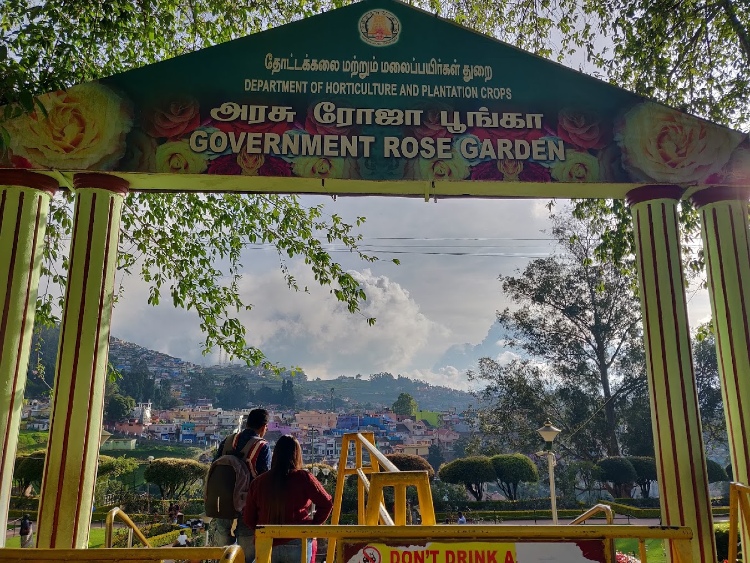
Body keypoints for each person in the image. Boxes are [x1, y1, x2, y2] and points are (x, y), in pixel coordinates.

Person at [243, 435, 333, 563]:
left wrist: (263, 529)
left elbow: (248, 518)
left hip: (267, 542)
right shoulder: (304, 478)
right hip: (298, 540)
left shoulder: (259, 482)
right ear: (297, 455)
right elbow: (327, 503)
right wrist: (313, 526)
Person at [209, 408, 271, 561]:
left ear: (247, 423)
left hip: (222, 499)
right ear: (264, 427)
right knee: (246, 541)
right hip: (247, 501)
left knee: (222, 534)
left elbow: (214, 464)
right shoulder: (262, 446)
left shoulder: (228, 440)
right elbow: (264, 478)